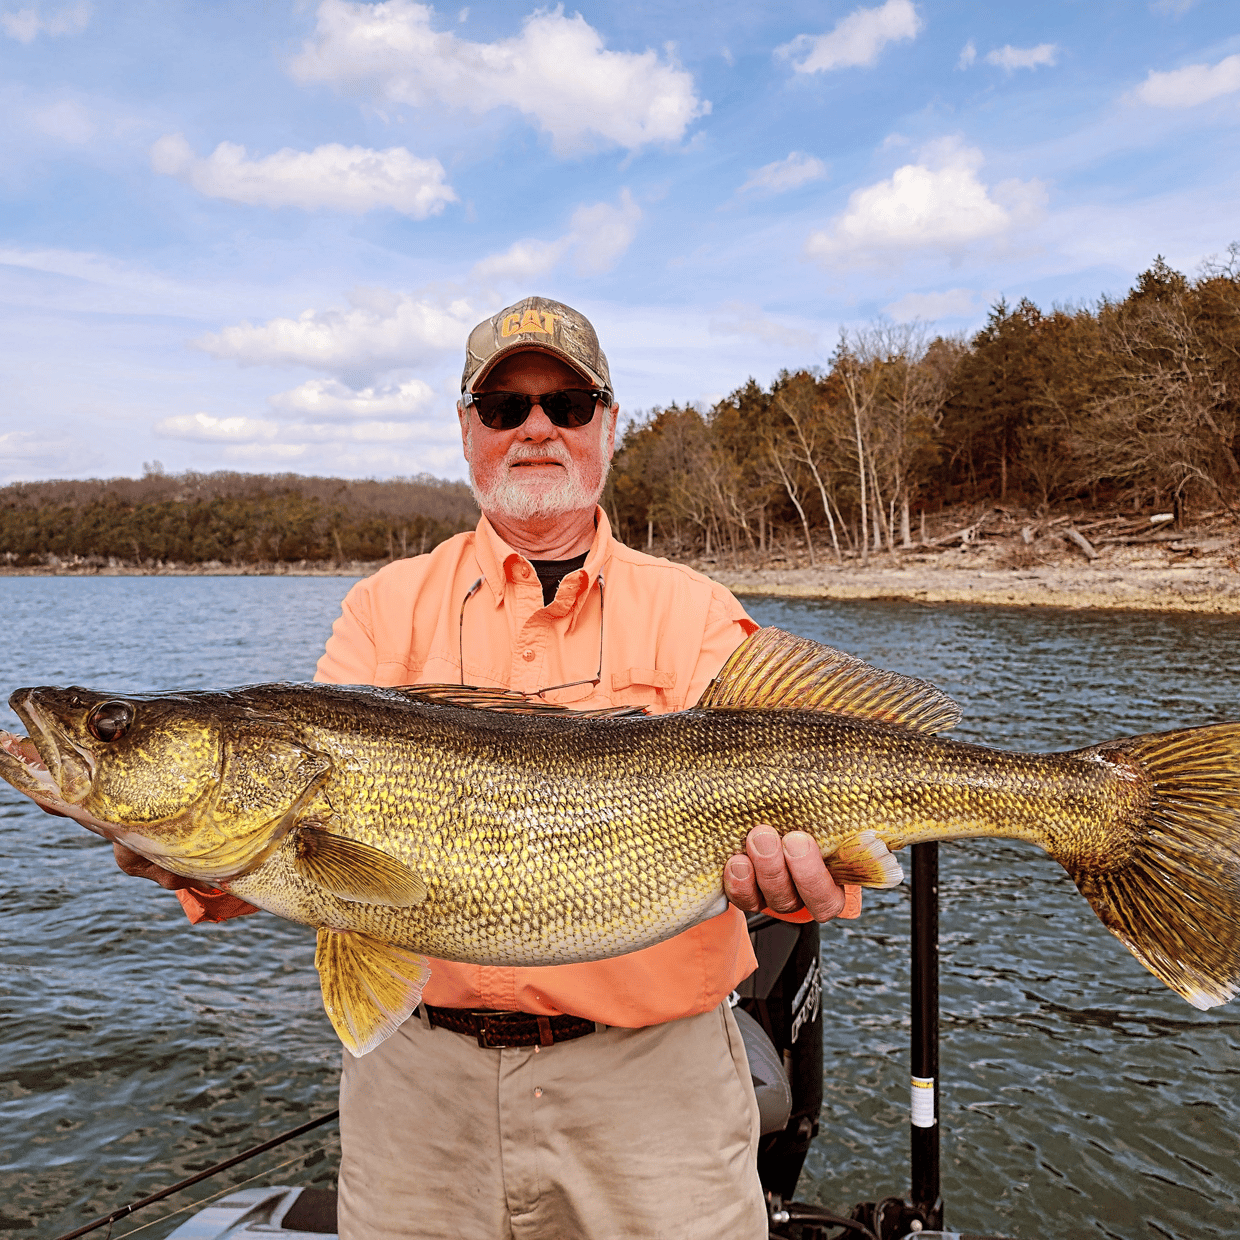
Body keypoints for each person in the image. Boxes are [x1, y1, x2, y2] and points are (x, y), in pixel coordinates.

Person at [115, 296, 870, 1240]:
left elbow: (806, 878)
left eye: (568, 403)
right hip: (419, 1096)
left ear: (609, 425)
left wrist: (802, 889)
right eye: (505, 407)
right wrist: (193, 862)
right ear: (467, 428)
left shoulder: (697, 611)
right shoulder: (384, 610)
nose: (537, 429)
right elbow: (283, 871)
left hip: (654, 1094)